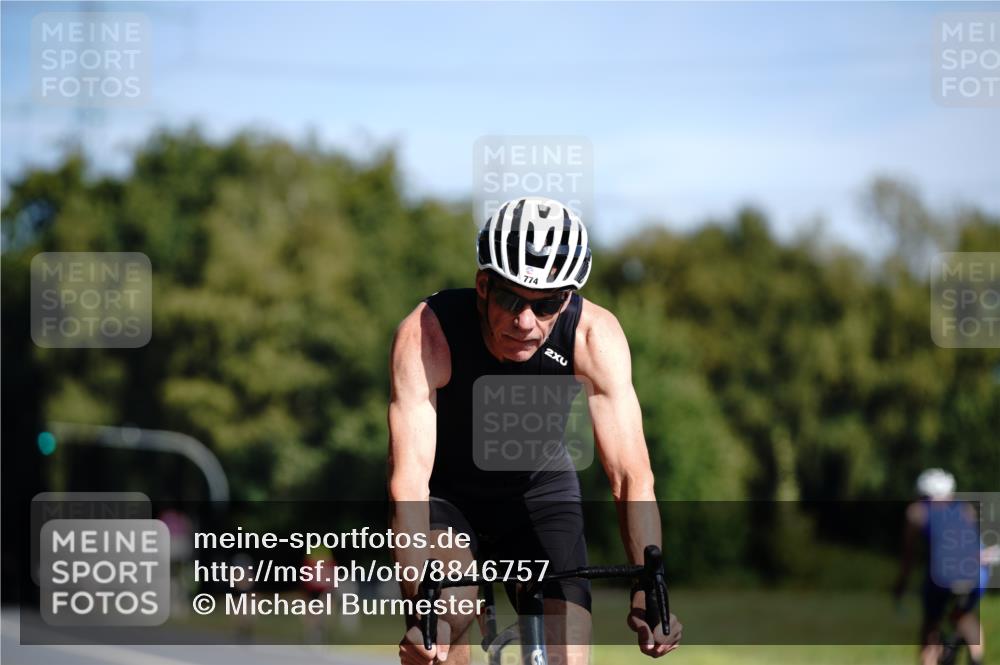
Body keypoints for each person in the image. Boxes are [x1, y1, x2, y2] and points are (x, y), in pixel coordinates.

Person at [388, 196, 681, 665]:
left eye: (547, 305)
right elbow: (408, 482)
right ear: (483, 285)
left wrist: (649, 584)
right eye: (510, 299)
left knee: (569, 653)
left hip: (540, 491)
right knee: (448, 618)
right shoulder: (429, 335)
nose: (526, 322)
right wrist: (422, 610)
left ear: (566, 299)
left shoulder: (593, 336)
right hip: (448, 496)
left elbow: (631, 477)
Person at [894, 468, 997, 665]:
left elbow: (909, 555)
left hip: (942, 576)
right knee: (965, 615)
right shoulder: (966, 509)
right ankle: (976, 660)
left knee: (931, 624)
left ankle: (932, 660)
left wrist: (901, 582)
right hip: (974, 574)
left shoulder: (917, 511)